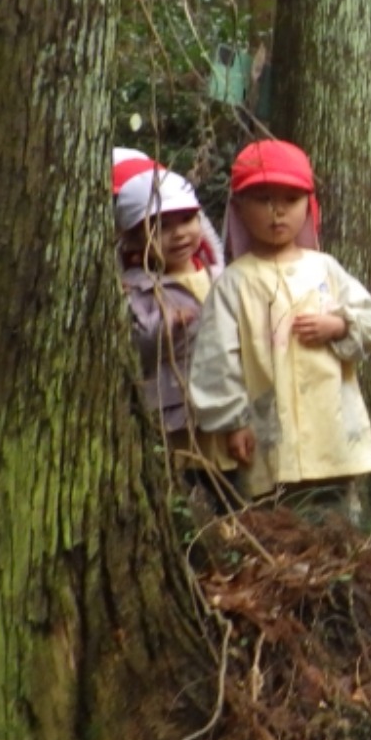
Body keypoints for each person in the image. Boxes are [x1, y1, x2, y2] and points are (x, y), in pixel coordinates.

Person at [188, 138, 371, 497]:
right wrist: (234, 422)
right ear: (240, 208)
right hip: (267, 431)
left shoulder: (325, 268)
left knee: (332, 504)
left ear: (308, 207)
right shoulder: (234, 282)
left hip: (330, 428)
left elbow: (370, 318)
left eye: (290, 200)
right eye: (263, 200)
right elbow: (217, 358)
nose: (277, 212)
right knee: (276, 509)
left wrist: (339, 326)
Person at [115, 160, 246, 492]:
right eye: (160, 225)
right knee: (188, 483)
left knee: (230, 486)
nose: (179, 235)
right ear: (132, 239)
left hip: (227, 409)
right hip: (176, 417)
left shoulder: (219, 277)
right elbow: (131, 344)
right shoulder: (136, 289)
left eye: (187, 219)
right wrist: (165, 324)